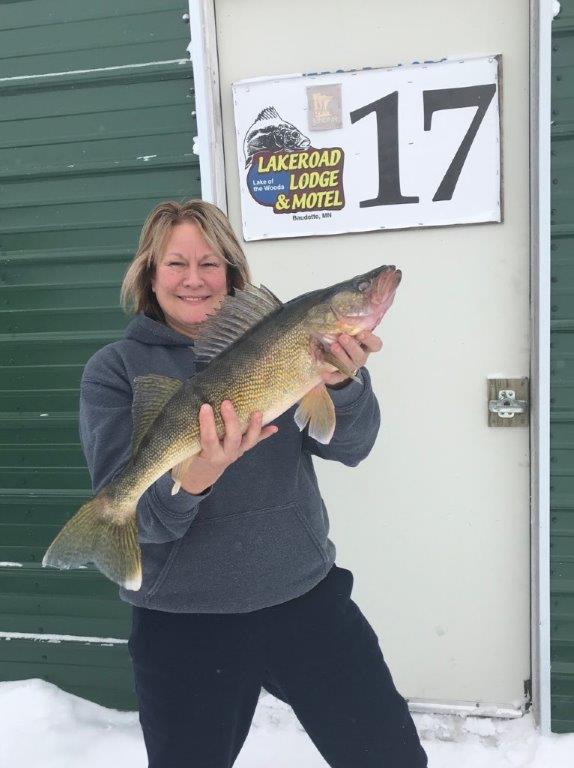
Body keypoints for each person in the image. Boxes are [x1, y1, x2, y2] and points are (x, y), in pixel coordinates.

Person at [79, 200, 428, 768]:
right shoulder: (116, 370)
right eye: (176, 264)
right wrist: (197, 476)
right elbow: (144, 522)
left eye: (211, 264)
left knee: (390, 759)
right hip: (183, 622)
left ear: (233, 273)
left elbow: (353, 447)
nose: (194, 279)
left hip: (303, 597)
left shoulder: (288, 341)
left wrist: (341, 385)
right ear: (149, 272)